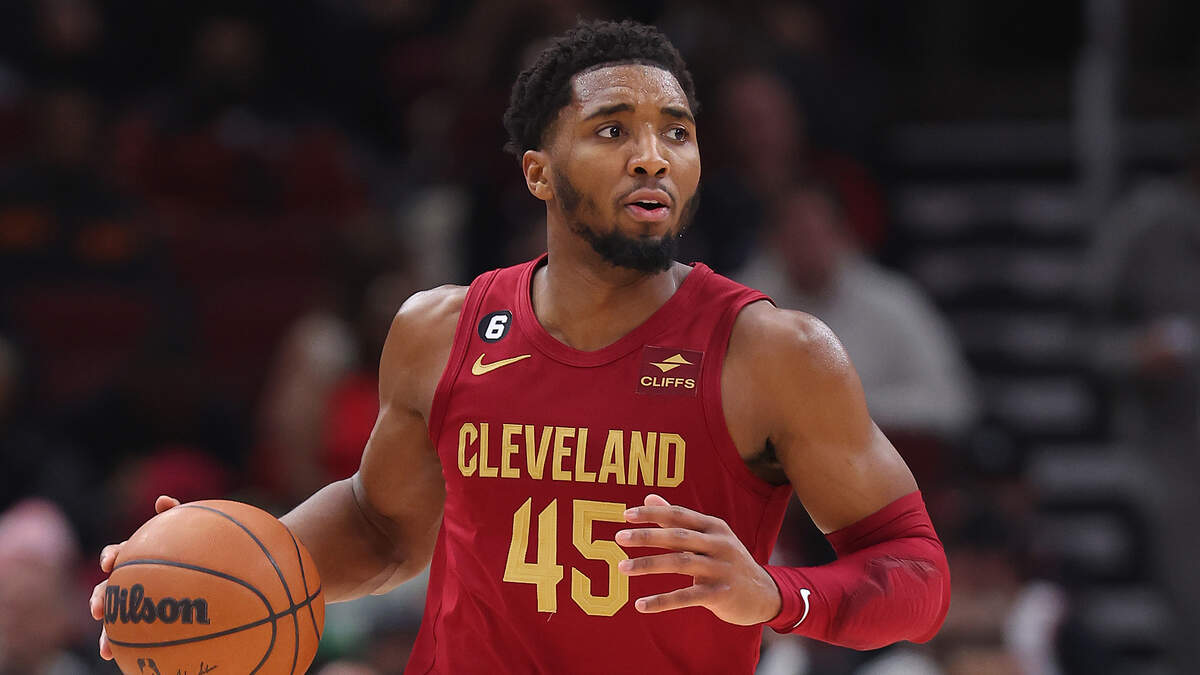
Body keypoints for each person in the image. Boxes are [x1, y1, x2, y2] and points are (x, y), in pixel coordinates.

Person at [91, 20, 950, 673]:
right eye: (613, 129)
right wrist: (209, 565)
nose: (652, 157)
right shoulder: (440, 329)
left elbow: (917, 573)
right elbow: (381, 527)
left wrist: (778, 594)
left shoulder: (773, 352)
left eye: (677, 132)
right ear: (538, 171)